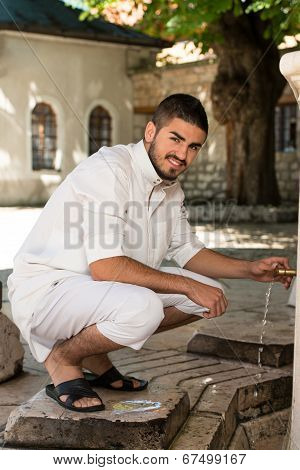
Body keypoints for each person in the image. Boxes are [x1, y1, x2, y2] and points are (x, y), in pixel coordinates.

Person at [7, 93, 292, 413]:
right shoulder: (110, 170)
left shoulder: (171, 189)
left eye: (194, 146)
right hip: (49, 292)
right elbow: (106, 267)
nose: (183, 154)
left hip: (92, 293)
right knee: (145, 308)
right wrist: (186, 284)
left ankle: (92, 353)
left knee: (210, 293)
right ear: (151, 132)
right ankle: (63, 358)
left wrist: (251, 269)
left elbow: (188, 251)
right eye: (176, 139)